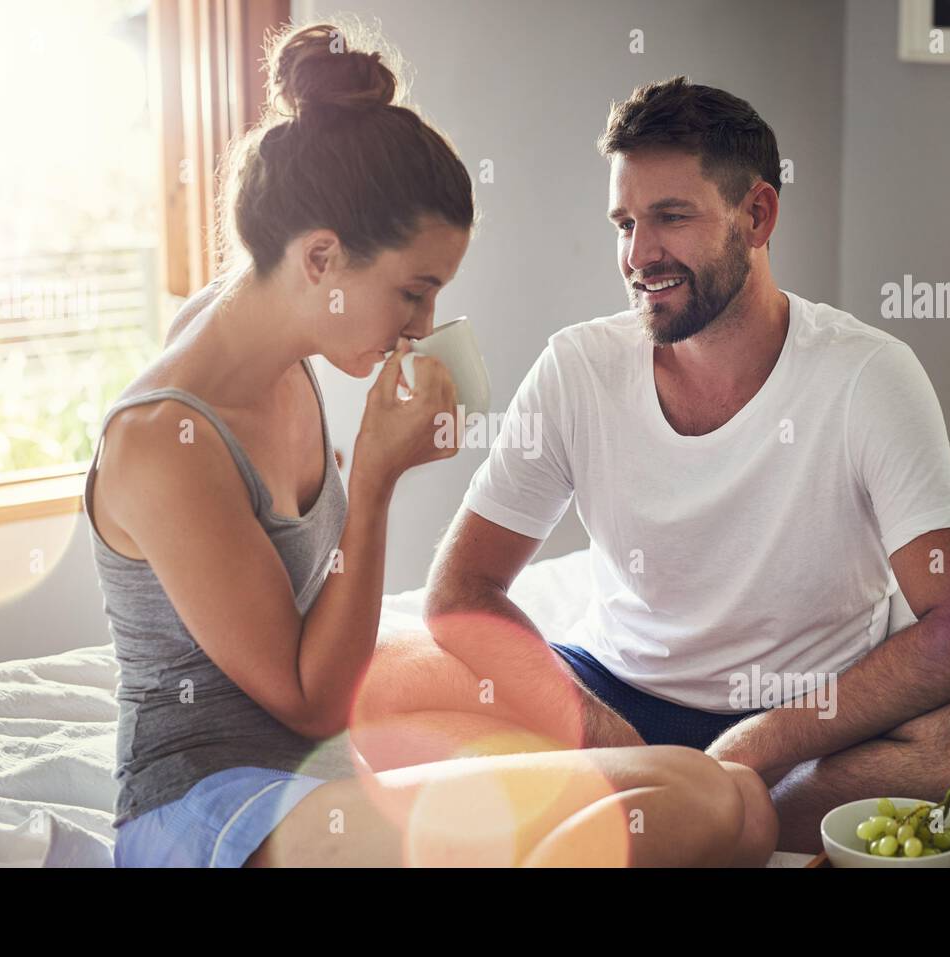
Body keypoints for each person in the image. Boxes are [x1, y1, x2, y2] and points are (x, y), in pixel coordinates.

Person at [85, 22, 777, 868]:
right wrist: (373, 482)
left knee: (738, 802)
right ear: (321, 259)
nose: (422, 326)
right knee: (704, 797)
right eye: (413, 292)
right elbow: (310, 701)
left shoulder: (260, 329)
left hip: (319, 780)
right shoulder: (166, 442)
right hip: (214, 813)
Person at [383, 77, 950, 854]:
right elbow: (462, 592)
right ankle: (686, 805)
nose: (639, 255)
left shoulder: (868, 377)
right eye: (625, 223)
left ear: (758, 214)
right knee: (398, 668)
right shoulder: (578, 367)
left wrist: (758, 744)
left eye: (670, 217)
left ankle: (687, 809)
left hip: (809, 727)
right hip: (617, 702)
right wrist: (632, 749)